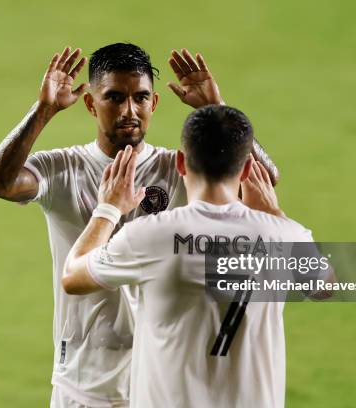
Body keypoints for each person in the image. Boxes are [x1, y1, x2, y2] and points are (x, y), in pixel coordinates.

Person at [0, 43, 279, 407]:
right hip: (84, 381)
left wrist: (217, 112)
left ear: (154, 103)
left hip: (163, 381)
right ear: (91, 103)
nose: (129, 111)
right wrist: (42, 111)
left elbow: (261, 179)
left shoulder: (179, 169)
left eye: (140, 98)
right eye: (114, 98)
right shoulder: (63, 169)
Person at [62, 105, 333, 408]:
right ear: (245, 169)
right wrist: (275, 215)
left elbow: (73, 277)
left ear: (180, 163)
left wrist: (108, 209)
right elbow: (325, 286)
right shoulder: (283, 237)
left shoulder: (150, 237)